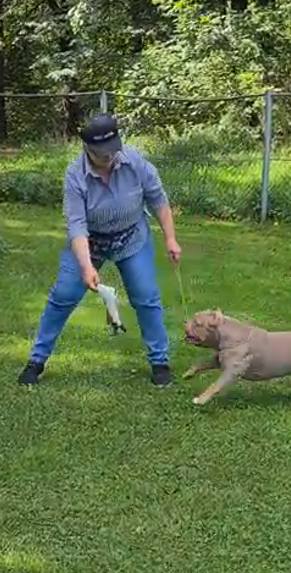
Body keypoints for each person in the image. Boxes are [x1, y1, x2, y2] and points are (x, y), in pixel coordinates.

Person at [17, 112, 182, 387]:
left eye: (112, 151)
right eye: (102, 154)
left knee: (146, 297)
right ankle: (36, 361)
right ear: (87, 149)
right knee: (62, 297)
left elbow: (158, 199)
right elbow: (77, 226)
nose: (109, 158)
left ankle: (159, 362)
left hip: (131, 237)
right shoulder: (74, 175)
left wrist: (170, 239)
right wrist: (86, 266)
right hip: (90, 241)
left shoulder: (135, 161)